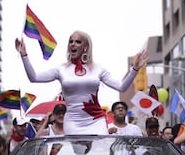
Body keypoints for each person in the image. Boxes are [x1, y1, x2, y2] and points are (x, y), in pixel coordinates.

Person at [15, 30, 148, 134]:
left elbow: (122, 87)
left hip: (96, 120)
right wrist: (24, 55)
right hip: (73, 121)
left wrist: (135, 68)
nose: (73, 44)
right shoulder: (61, 69)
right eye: (71, 41)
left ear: (85, 47)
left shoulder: (97, 69)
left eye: (78, 42)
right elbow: (34, 77)